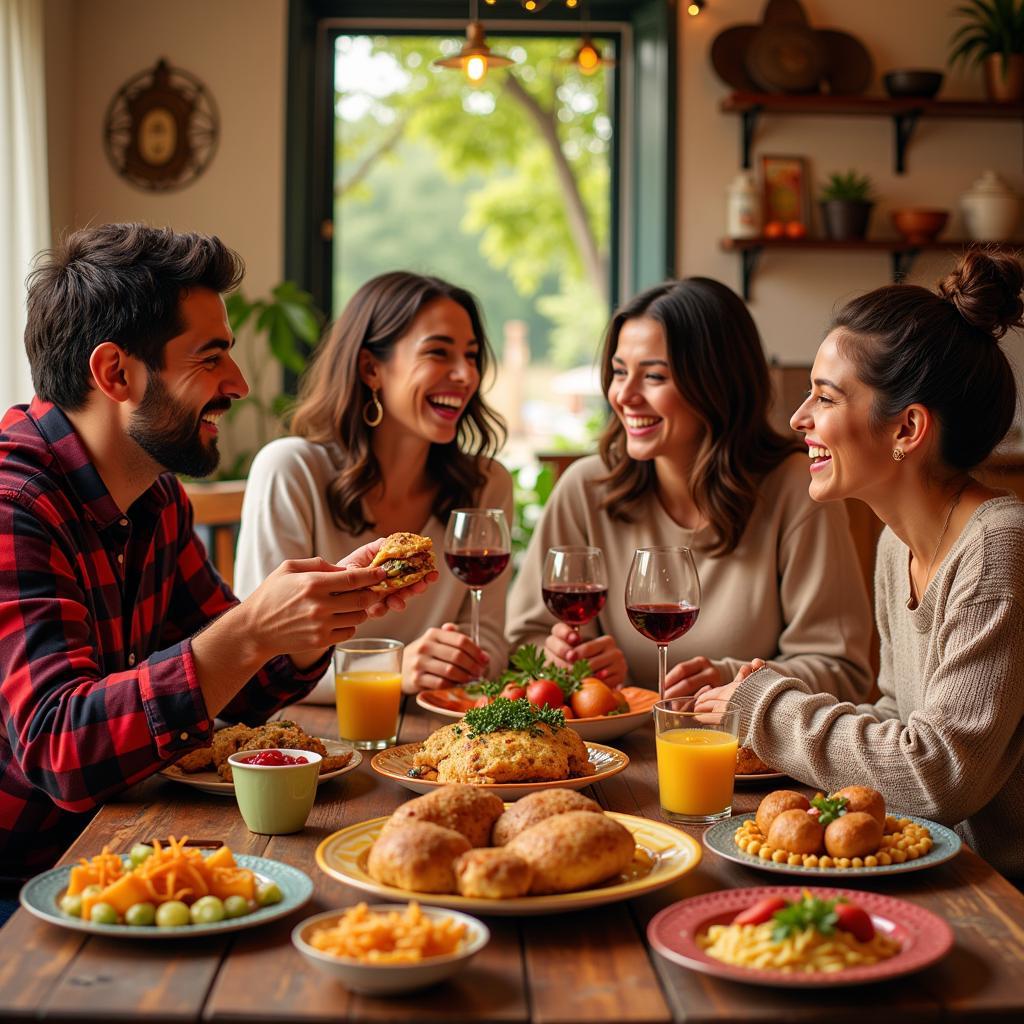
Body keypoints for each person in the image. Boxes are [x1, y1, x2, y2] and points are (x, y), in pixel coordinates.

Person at [0, 225, 432, 897]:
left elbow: (248, 683)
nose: (237, 383)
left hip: (117, 850)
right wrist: (254, 629)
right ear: (116, 373)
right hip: (21, 880)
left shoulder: (155, 494)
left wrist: (328, 607)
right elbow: (61, 749)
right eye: (210, 358)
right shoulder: (15, 505)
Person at [695, 250, 1024, 880]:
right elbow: (901, 722)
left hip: (1003, 894)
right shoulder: (896, 544)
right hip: (939, 874)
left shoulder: (996, 551)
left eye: (824, 396)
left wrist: (769, 707)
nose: (798, 419)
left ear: (906, 428)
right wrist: (752, 686)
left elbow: (934, 775)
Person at [508, 277, 873, 700]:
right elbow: (524, 643)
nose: (624, 395)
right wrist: (566, 664)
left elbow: (842, 673)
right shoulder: (585, 488)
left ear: (715, 382)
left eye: (655, 377)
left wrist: (733, 682)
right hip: (611, 757)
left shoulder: (798, 490)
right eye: (620, 372)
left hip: (738, 758)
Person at [235, 271, 512, 696]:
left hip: (438, 736)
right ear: (371, 368)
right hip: (316, 740)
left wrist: (460, 663)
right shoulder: (291, 470)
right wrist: (393, 670)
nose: (464, 375)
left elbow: (489, 638)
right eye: (438, 353)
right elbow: (257, 661)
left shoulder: (485, 485)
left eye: (472, 356)